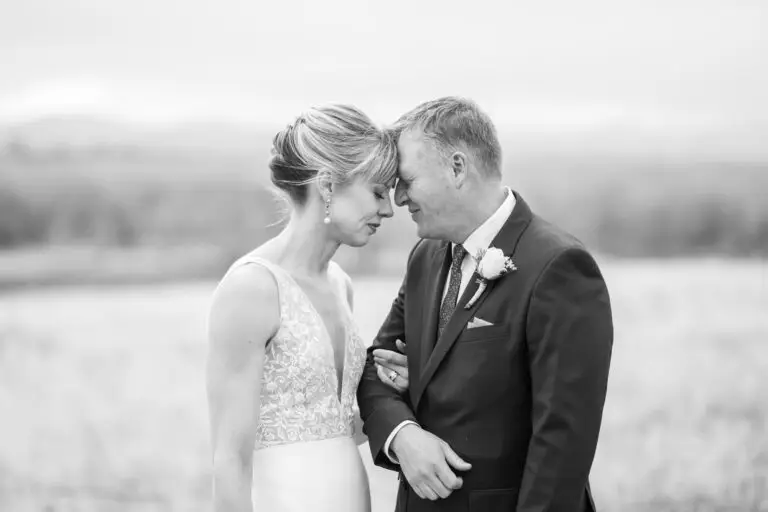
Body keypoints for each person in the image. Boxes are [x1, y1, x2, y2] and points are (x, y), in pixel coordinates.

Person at [358, 97, 614, 512]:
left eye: (407, 180)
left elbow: (563, 442)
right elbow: (376, 369)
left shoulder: (558, 267)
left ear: (457, 168)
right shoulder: (425, 256)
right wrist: (403, 434)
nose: (399, 198)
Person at [205, 104, 408, 512]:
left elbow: (330, 428)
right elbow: (230, 460)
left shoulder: (340, 285)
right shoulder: (252, 288)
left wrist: (404, 394)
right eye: (377, 191)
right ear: (329, 185)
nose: (388, 209)